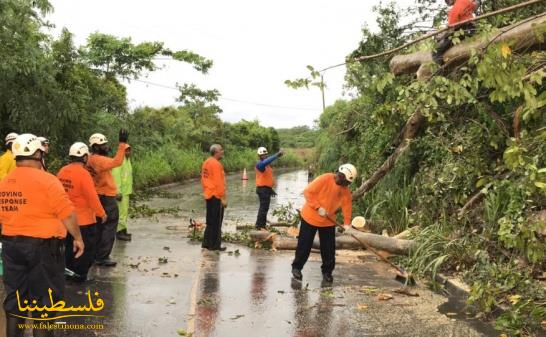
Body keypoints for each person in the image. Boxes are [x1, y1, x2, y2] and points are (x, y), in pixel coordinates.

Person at [0, 134, 84, 337]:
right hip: (44, 250)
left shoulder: (4, 182)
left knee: (15, 300)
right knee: (45, 302)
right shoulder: (48, 181)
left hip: (11, 247)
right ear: (38, 153)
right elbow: (68, 213)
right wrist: (78, 238)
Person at [291, 164, 357, 284]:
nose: (345, 184)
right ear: (340, 175)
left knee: (329, 249)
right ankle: (297, 268)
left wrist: (347, 224)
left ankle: (327, 272)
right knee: (304, 245)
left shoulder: (345, 190)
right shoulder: (325, 178)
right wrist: (318, 207)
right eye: (344, 181)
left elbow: (347, 206)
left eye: (347, 183)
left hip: (328, 221)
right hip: (310, 217)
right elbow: (307, 192)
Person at [57, 142, 107, 282]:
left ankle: (68, 272)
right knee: (84, 250)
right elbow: (92, 197)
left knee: (68, 248)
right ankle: (79, 275)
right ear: (84, 157)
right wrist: (101, 213)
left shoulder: (62, 171)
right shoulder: (83, 174)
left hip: (66, 219)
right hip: (83, 221)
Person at [86, 130, 130, 267]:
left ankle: (95, 255)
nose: (106, 147)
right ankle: (102, 256)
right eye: (103, 145)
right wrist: (122, 143)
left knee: (99, 226)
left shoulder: (90, 158)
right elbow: (117, 161)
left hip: (98, 195)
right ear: (96, 147)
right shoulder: (98, 160)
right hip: (106, 197)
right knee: (109, 226)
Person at [432, 0, 479, 65]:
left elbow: (450, 30)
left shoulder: (454, 11)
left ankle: (441, 70)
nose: (447, 2)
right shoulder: (465, 1)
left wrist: (441, 37)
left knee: (436, 52)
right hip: (472, 28)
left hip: (464, 32)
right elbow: (476, 4)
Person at [201, 144, 227, 251]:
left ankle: (206, 243)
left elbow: (203, 179)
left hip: (208, 194)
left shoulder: (206, 162)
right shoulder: (216, 164)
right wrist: (223, 198)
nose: (223, 151)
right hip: (216, 195)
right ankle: (215, 246)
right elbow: (219, 183)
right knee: (216, 222)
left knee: (210, 221)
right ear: (216, 152)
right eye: (221, 150)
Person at [254, 146, 283, 229]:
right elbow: (264, 163)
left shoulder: (267, 167)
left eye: (266, 154)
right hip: (262, 190)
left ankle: (261, 225)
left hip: (265, 190)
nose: (265, 156)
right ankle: (259, 226)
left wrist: (271, 190)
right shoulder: (260, 164)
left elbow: (266, 179)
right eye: (263, 155)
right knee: (263, 208)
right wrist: (277, 155)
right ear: (260, 156)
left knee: (264, 208)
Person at [113, 145, 133, 241]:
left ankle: (123, 230)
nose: (128, 152)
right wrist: (118, 192)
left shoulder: (127, 161)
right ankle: (119, 233)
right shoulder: (119, 162)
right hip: (121, 193)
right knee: (121, 213)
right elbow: (116, 177)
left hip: (126, 192)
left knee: (124, 213)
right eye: (126, 151)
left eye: (129, 150)